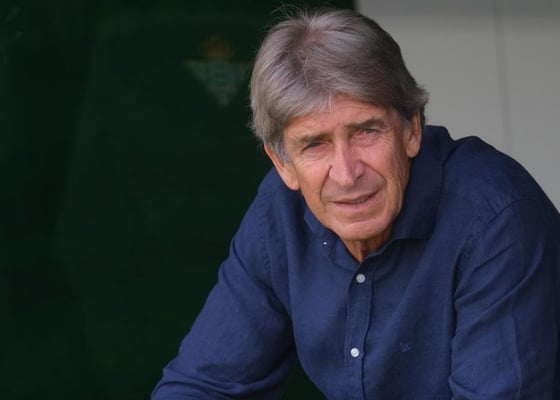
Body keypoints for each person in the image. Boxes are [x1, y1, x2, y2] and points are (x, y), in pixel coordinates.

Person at [151, 6, 560, 399]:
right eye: (315, 144)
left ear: (412, 130)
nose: (346, 174)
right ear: (283, 164)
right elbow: (203, 385)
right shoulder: (280, 212)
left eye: (366, 131)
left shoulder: (495, 218)